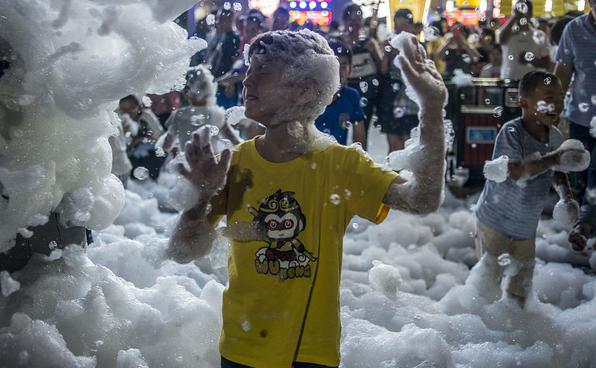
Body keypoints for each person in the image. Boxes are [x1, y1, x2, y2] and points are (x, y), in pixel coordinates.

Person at [166, 30, 447, 368]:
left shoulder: (340, 164)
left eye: (262, 72)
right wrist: (199, 199)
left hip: (311, 351)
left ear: (305, 91)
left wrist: (432, 108)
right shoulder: (233, 163)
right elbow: (183, 252)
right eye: (249, 69)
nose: (247, 80)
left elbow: (422, 199)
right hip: (242, 346)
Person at [474, 71, 585, 305]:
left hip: (525, 226)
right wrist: (554, 158)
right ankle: (482, 327)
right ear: (523, 102)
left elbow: (557, 172)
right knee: (486, 286)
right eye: (548, 97)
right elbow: (515, 172)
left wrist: (566, 197)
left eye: (560, 97)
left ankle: (517, 329)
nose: (557, 103)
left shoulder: (554, 136)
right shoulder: (512, 132)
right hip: (494, 222)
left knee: (521, 287)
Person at [554, 0, 596, 248]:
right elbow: (562, 74)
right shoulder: (574, 30)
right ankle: (586, 233)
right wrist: (549, 106)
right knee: (581, 176)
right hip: (581, 118)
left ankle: (585, 227)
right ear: (590, 3)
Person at [163, 66, 240, 152]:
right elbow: (237, 144)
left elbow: (166, 146)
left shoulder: (179, 115)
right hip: (211, 164)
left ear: (186, 92)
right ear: (209, 88)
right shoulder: (217, 114)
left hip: (186, 162)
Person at [379, 8, 421, 152]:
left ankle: (407, 174)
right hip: (392, 98)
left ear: (411, 27)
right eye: (398, 28)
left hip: (411, 99)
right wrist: (387, 52)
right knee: (394, 146)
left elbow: (419, 71)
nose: (401, 32)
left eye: (404, 28)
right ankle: (393, 173)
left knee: (409, 144)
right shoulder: (391, 45)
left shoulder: (418, 46)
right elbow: (384, 70)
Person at [341, 3, 382, 140]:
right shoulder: (339, 43)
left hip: (366, 91)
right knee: (340, 130)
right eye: (351, 20)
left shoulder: (369, 43)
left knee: (362, 131)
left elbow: (381, 66)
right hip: (345, 90)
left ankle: (360, 159)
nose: (355, 23)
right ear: (345, 22)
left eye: (358, 20)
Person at [315, 40, 366, 146]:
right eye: (334, 66)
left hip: (337, 160)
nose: (338, 72)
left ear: (350, 70)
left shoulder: (351, 96)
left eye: (343, 66)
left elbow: (360, 138)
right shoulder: (310, 96)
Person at [497, 0, 550, 81]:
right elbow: (500, 39)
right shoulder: (507, 33)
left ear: (531, 14)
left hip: (530, 82)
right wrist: (514, 17)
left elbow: (546, 63)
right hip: (508, 81)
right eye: (518, 10)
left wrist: (531, 59)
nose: (521, 14)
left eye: (524, 10)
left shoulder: (539, 35)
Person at [118, 95, 165, 180]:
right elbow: (123, 146)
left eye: (132, 108)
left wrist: (141, 139)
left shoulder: (146, 116)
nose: (129, 112)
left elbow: (160, 137)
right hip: (132, 155)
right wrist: (125, 133)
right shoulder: (121, 121)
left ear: (139, 107)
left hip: (151, 152)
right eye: (124, 110)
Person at [209, 7, 241, 109]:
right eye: (219, 19)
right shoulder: (219, 36)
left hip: (225, 84)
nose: (219, 22)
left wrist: (230, 84)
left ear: (230, 20)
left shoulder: (233, 38)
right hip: (219, 82)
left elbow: (233, 64)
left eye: (222, 19)